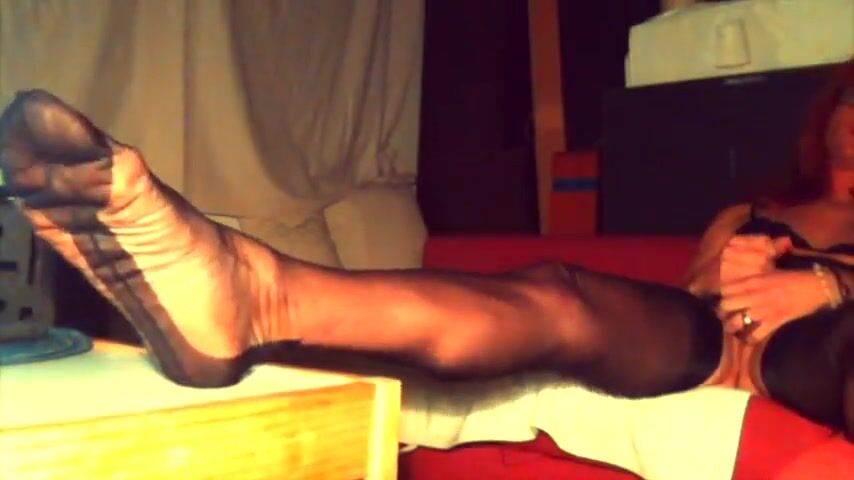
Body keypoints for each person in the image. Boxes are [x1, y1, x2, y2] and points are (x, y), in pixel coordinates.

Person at [0, 59, 850, 437]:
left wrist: (830, 289)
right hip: (712, 349)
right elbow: (697, 296)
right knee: (562, 296)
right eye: (848, 110)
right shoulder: (753, 210)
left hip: (820, 351)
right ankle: (256, 293)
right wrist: (726, 279)